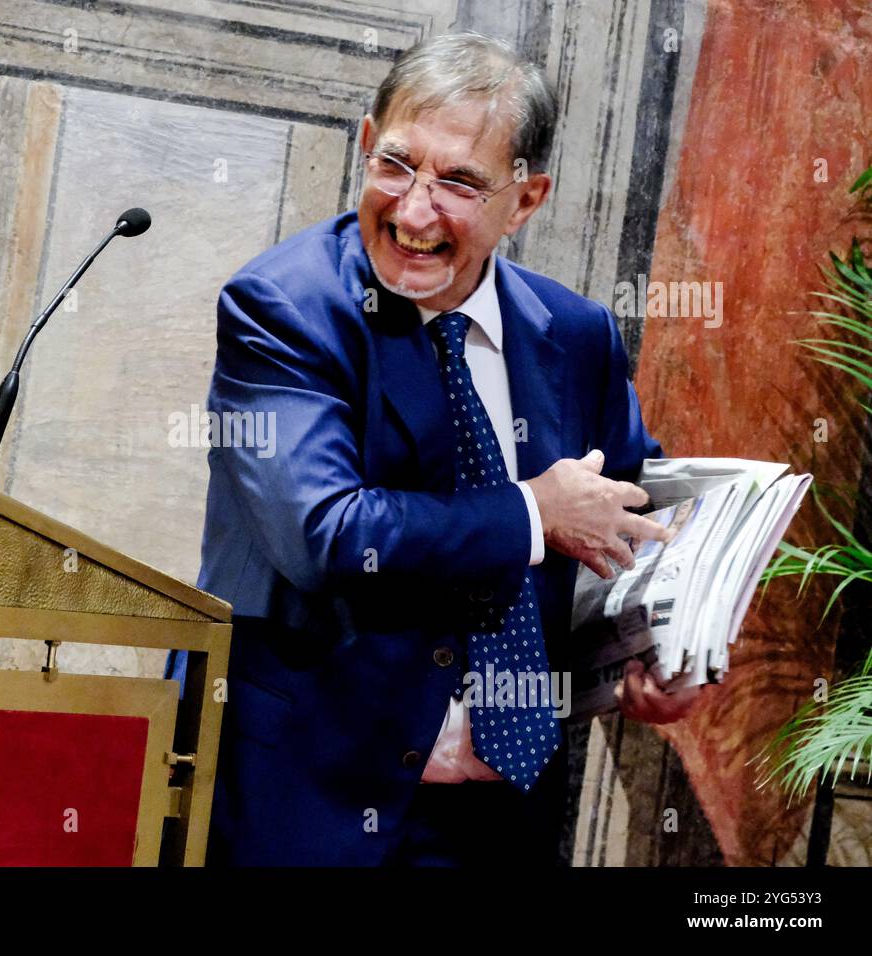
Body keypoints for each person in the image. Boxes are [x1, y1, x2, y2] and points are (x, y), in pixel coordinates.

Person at [166, 31, 700, 866]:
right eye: (396, 165)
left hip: (502, 815)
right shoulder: (285, 308)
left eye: (457, 182)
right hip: (313, 800)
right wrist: (532, 513)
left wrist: (666, 650)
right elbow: (323, 535)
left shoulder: (575, 334)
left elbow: (629, 510)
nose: (414, 211)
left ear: (525, 201)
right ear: (366, 143)